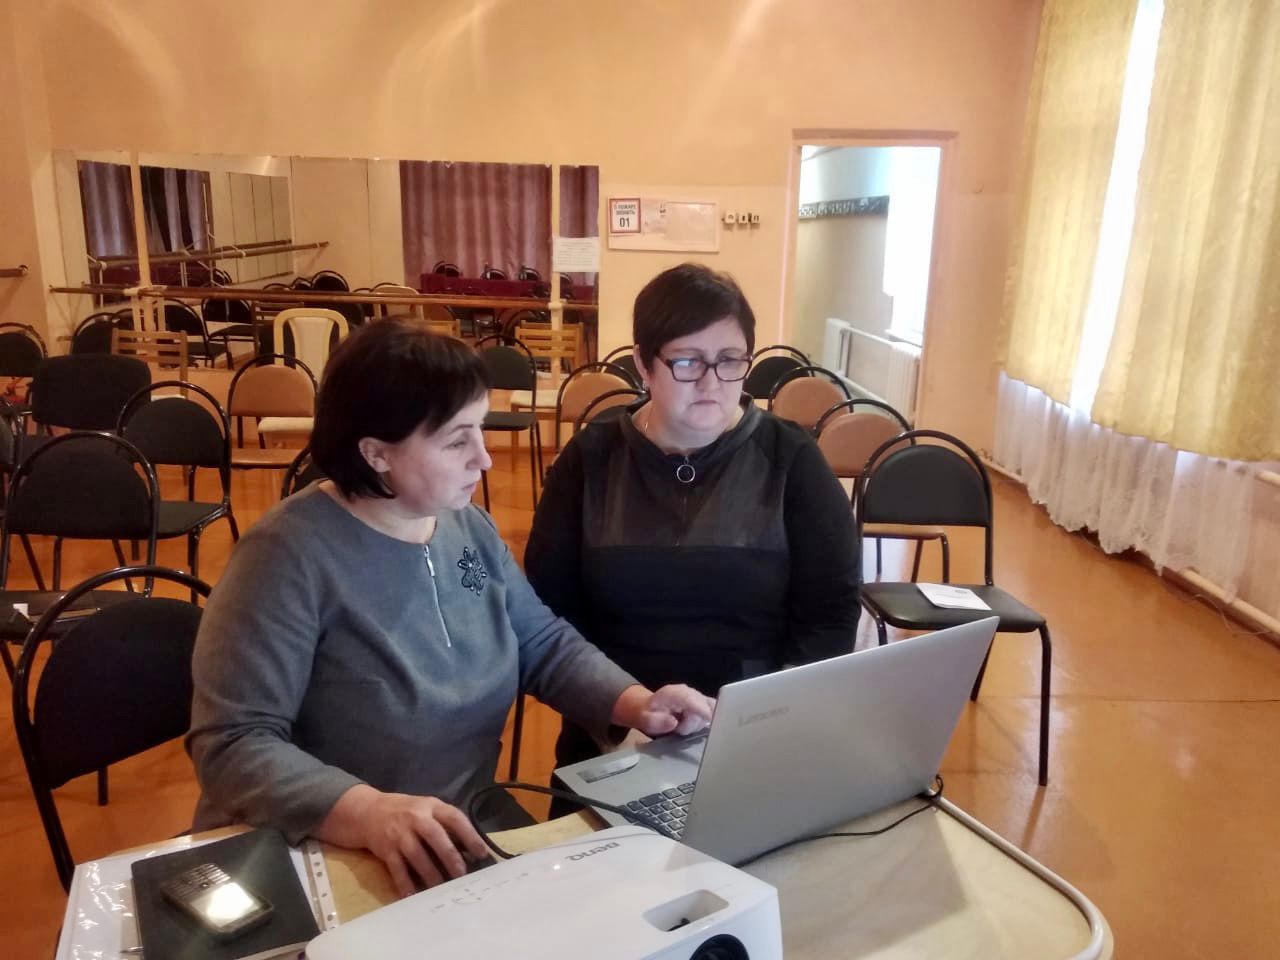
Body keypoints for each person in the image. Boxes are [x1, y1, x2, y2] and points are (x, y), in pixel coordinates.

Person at [186, 320, 714, 897]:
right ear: (375, 453)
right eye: (457, 440)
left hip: (459, 828)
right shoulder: (286, 556)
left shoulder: (466, 527)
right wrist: (367, 811)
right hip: (327, 850)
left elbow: (540, 643)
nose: (484, 460)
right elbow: (233, 743)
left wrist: (638, 704)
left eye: (480, 431)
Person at [526, 263, 860, 778]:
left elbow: (831, 613)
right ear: (644, 364)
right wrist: (622, 710)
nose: (711, 382)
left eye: (729, 360)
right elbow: (551, 611)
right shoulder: (590, 460)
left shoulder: (792, 460)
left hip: (755, 735)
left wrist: (763, 718)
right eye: (687, 361)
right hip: (615, 734)